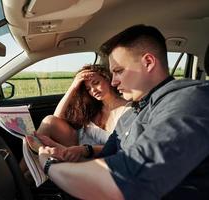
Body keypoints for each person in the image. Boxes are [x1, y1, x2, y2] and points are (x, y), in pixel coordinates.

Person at [37, 24, 209, 200]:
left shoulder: (190, 100)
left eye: (118, 71)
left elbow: (126, 179)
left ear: (148, 62)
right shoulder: (130, 115)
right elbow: (102, 163)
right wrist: (60, 154)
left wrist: (49, 165)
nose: (113, 82)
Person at [30, 64, 129, 162]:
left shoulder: (128, 109)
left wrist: (84, 150)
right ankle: (28, 169)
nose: (93, 90)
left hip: (96, 154)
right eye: (88, 89)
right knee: (49, 121)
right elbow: (56, 119)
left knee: (36, 142)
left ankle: (27, 171)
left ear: (108, 79)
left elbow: (119, 147)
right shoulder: (92, 106)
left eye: (96, 82)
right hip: (77, 143)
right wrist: (73, 86)